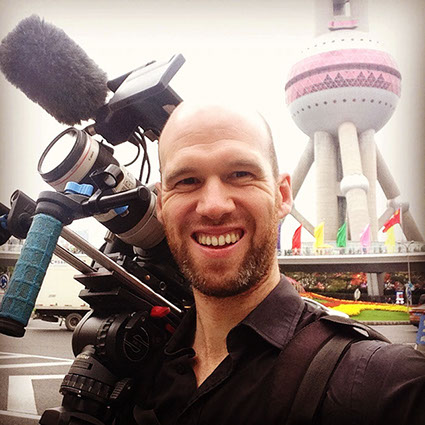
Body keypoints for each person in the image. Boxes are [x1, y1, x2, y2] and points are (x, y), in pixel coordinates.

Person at [119, 101, 425, 424]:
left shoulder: (373, 380)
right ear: (161, 204)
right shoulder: (136, 368)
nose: (213, 206)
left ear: (282, 196)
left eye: (240, 174)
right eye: (186, 180)